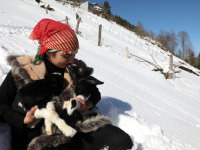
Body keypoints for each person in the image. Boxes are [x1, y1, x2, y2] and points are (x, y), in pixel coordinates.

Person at [0, 18, 133, 150]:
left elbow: (94, 91)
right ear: (48, 51)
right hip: (40, 136)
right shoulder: (23, 72)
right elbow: (1, 103)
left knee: (121, 140)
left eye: (74, 54)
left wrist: (87, 103)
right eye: (66, 55)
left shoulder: (75, 69)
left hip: (72, 127)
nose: (71, 60)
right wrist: (22, 120)